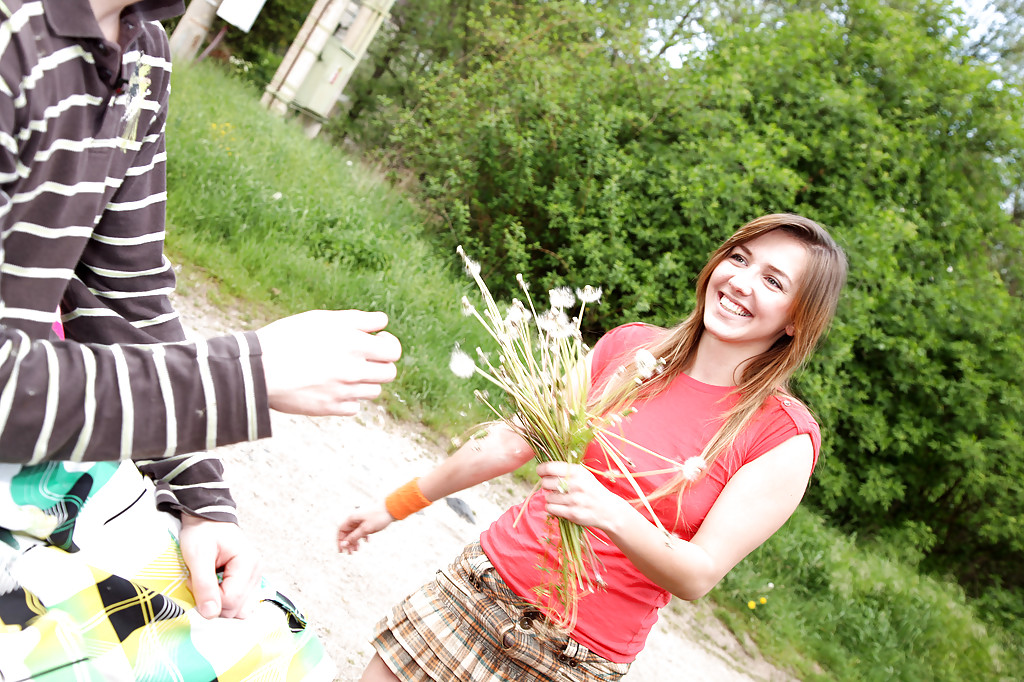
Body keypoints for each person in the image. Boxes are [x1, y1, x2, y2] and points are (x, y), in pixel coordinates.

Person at [0, 0, 401, 679]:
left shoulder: (143, 52)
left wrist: (198, 496)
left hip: (33, 461)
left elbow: (123, 297)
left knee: (276, 654)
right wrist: (247, 374)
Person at [338, 213, 847, 681]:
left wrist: (610, 513)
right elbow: (513, 440)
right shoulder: (630, 349)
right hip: (476, 591)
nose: (741, 281)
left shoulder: (781, 436)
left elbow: (699, 572)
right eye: (739, 257)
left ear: (797, 320)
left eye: (773, 281)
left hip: (571, 660)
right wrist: (395, 505)